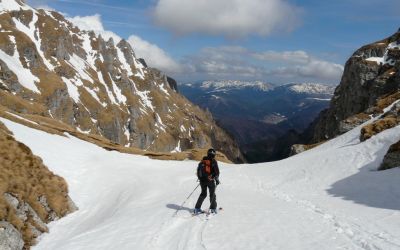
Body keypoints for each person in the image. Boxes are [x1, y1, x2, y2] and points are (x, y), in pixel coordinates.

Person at [194, 148, 220, 214]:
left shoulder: (203, 161)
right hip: (210, 181)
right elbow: (217, 172)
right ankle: (213, 208)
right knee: (212, 194)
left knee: (203, 194)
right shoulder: (213, 161)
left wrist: (201, 178)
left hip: (202, 181)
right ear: (214, 155)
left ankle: (197, 208)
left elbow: (199, 171)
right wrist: (216, 180)